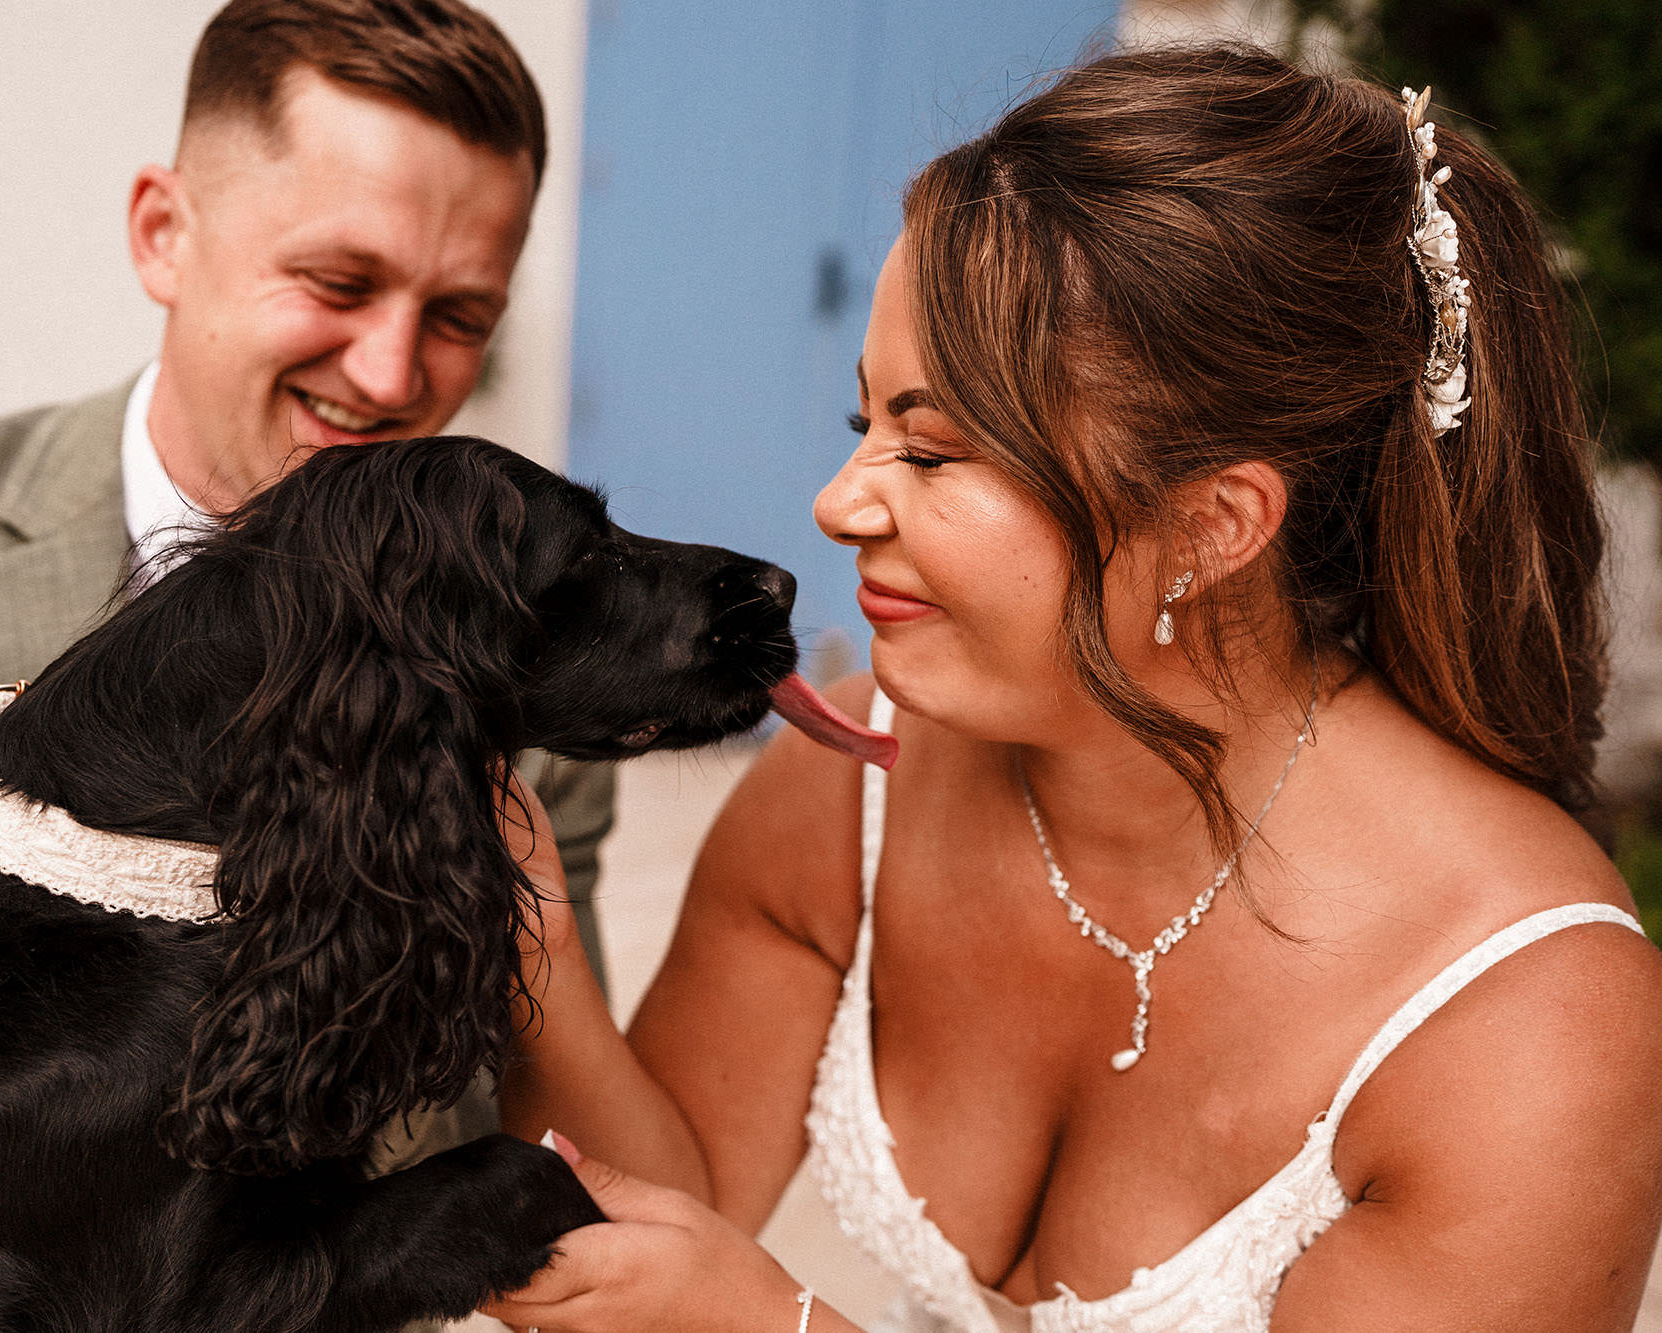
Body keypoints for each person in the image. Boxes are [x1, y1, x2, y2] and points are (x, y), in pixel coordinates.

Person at [489, 46, 1662, 1333]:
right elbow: (659, 1220)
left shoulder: (1525, 1023)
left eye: (932, 452)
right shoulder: (854, 783)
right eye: (860, 425)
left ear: (1213, 526)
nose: (836, 506)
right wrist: (527, 930)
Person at [0, 0, 617, 1325]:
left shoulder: (518, 673)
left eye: (459, 314)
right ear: (163, 232)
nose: (394, 371)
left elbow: (563, 1136)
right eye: (339, 284)